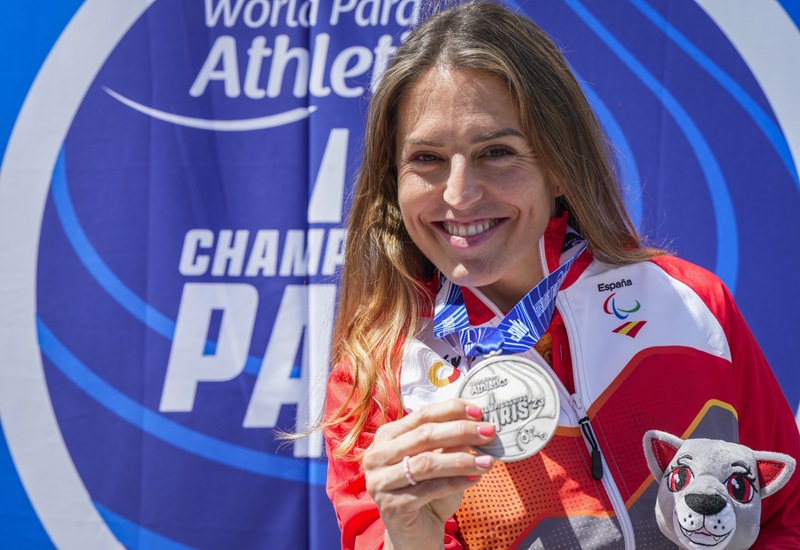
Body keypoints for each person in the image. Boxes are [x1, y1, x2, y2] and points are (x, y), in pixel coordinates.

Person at [321, 1, 800, 548]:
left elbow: (786, 516)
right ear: (394, 179)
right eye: (426, 158)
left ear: (559, 166)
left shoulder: (690, 304)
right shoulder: (374, 375)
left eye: (496, 152)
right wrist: (411, 539)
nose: (458, 194)